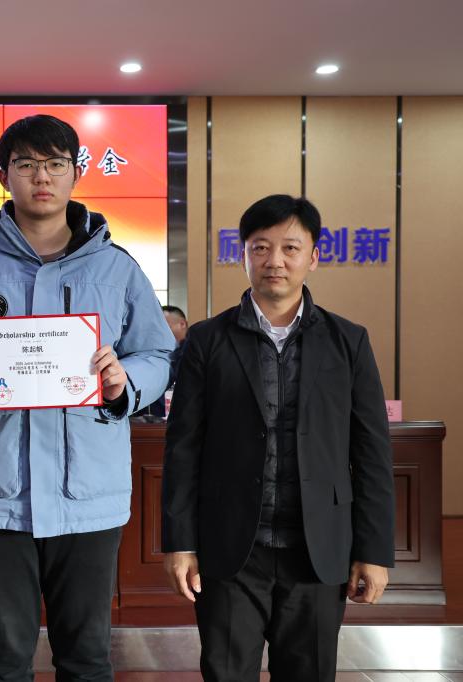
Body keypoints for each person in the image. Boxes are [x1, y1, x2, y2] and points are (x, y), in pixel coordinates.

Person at [0, 114, 174, 680]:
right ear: (4, 175)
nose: (42, 177)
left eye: (56, 164)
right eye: (27, 164)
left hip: (89, 495)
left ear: (75, 173)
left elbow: (157, 354)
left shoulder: (117, 268)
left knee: (86, 659)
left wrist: (124, 382)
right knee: (3, 658)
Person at [161, 194, 395, 681]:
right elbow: (183, 449)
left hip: (317, 551)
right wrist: (180, 543)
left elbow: (371, 452)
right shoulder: (207, 340)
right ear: (243, 255)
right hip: (230, 550)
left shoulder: (348, 341)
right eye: (260, 247)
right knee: (226, 673)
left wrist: (373, 551)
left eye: (290, 248)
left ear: (314, 256)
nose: (275, 261)